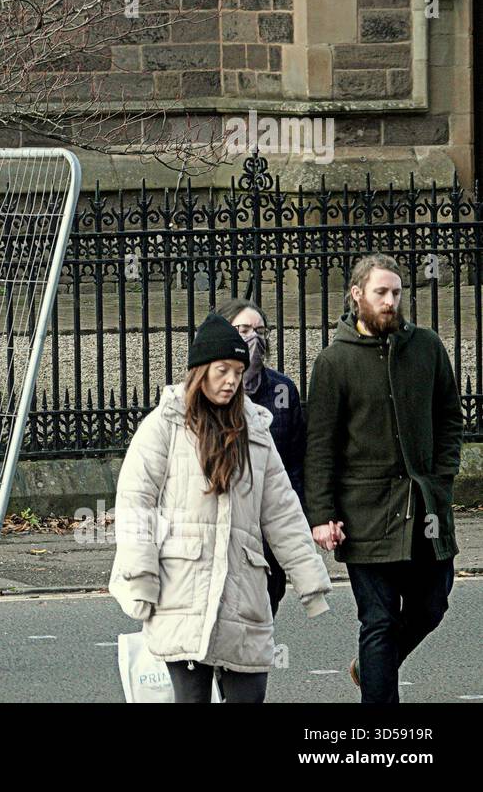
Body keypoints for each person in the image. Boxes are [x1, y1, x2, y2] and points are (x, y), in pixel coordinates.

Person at [109, 312, 331, 702]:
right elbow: (135, 503)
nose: (232, 380)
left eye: (238, 371)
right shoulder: (164, 425)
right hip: (181, 591)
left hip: (243, 591)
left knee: (249, 696)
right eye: (222, 370)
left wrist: (310, 581)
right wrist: (141, 575)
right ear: (200, 371)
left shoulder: (255, 431)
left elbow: (281, 511)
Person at [304, 254, 460, 703]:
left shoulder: (427, 347)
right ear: (357, 295)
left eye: (396, 293)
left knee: (432, 606)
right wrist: (322, 515)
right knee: (379, 620)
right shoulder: (334, 362)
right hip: (365, 515)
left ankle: (369, 666)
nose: (391, 301)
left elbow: (450, 418)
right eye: (381, 293)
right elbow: (320, 447)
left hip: (426, 508)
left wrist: (442, 478)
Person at [215, 298, 306, 616]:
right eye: (242, 329)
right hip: (217, 536)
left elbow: (296, 465)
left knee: (260, 624)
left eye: (260, 330)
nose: (253, 337)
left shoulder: (282, 390)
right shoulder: (203, 392)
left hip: (267, 535)